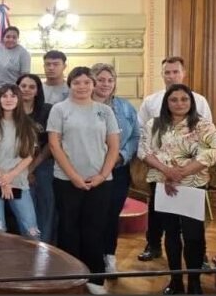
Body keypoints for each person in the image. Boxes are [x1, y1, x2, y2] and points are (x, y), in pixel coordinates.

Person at [137, 84, 216, 295]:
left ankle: (194, 282)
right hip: (163, 185)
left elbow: (209, 153)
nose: (179, 103)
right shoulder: (153, 124)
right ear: (167, 102)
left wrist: (180, 173)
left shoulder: (203, 125)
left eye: (184, 99)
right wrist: (167, 171)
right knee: (171, 234)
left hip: (193, 185)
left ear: (191, 102)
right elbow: (144, 151)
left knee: (194, 235)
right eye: (174, 99)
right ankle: (175, 281)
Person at [47, 67, 120, 295]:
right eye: (77, 82)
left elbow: (114, 146)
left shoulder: (104, 111)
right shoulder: (60, 110)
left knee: (94, 229)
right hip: (66, 180)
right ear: (70, 85)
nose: (82, 87)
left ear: (93, 85)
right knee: (69, 229)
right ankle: (71, 276)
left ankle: (95, 278)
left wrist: (101, 175)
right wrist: (74, 176)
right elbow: (54, 145)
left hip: (100, 181)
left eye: (86, 82)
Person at [136, 56, 213, 263]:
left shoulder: (199, 100)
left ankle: (200, 255)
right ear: (162, 75)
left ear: (183, 73)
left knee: (193, 222)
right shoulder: (151, 101)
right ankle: (153, 245)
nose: (171, 76)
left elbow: (206, 138)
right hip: (160, 174)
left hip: (192, 175)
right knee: (158, 214)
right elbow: (143, 135)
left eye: (175, 72)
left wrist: (182, 172)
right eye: (167, 72)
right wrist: (167, 171)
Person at [90, 63, 140, 274]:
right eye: (101, 79)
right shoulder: (82, 105)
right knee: (92, 216)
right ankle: (90, 259)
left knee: (111, 216)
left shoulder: (125, 107)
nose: (106, 84)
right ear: (92, 81)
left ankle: (108, 255)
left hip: (118, 171)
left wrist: (121, 156)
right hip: (90, 170)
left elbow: (136, 136)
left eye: (110, 80)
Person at [0, 84, 39, 240]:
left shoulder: (27, 124)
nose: (9, 99)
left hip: (18, 181)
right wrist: (2, 181)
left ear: (19, 99)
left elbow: (29, 156)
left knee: (31, 230)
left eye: (13, 96)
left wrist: (10, 177)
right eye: (4, 96)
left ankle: (33, 263)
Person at [17, 74, 55, 244]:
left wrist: (31, 168)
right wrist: (22, 170)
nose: (26, 90)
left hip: (43, 164)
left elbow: (50, 144)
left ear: (38, 91)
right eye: (23, 86)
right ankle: (28, 247)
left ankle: (45, 247)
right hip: (16, 167)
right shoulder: (9, 109)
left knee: (46, 207)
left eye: (31, 87)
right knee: (24, 210)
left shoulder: (47, 110)